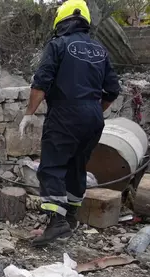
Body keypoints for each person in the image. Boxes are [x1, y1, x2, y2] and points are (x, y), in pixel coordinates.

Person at [19, 0, 120, 247]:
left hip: (65, 115)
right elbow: (113, 90)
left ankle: (56, 222)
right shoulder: (100, 49)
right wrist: (94, 111)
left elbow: (41, 81)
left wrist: (29, 114)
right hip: (93, 118)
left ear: (61, 20)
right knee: (77, 166)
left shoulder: (58, 45)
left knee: (51, 167)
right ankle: (71, 216)